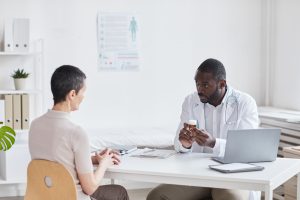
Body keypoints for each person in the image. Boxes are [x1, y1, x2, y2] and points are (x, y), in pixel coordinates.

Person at [147, 58, 259, 200]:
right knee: (157, 196)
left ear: (222, 84)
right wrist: (184, 144)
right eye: (197, 84)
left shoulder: (244, 103)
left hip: (231, 175)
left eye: (205, 85)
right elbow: (178, 144)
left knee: (231, 198)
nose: (199, 89)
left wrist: (213, 143)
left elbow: (246, 149)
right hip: (198, 174)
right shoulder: (190, 101)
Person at [29, 65, 129, 200]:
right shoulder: (76, 132)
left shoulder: (35, 125)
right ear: (72, 94)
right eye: (83, 91)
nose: (84, 96)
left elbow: (57, 161)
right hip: (73, 197)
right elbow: (90, 188)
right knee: (119, 192)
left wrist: (93, 159)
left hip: (46, 196)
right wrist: (104, 164)